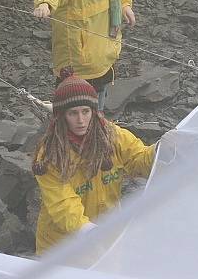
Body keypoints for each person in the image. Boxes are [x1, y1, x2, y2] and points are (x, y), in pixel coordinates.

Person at [32, 72, 156, 253]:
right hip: (61, 247)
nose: (81, 120)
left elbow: (139, 161)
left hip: (107, 239)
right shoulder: (49, 155)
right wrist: (85, 230)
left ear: (94, 111)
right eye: (73, 113)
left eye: (85, 111)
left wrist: (162, 150)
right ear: (61, 116)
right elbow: (62, 203)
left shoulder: (114, 137)